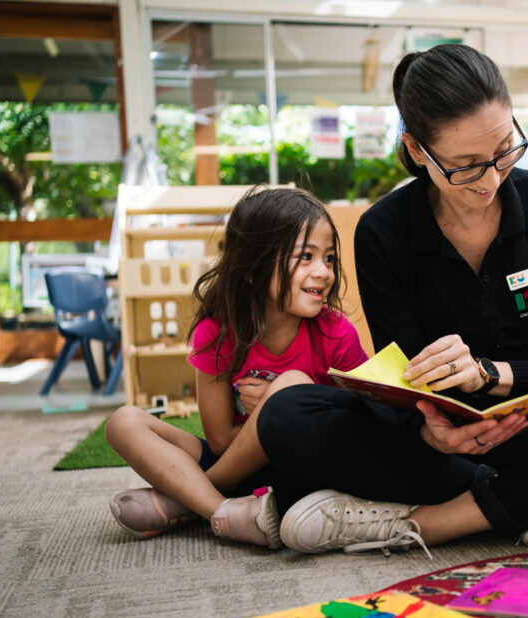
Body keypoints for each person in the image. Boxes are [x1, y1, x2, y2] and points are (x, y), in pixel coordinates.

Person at [242, 44, 528, 556]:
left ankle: (443, 519)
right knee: (286, 413)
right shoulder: (383, 231)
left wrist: (490, 374)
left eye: (504, 150)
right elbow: (407, 380)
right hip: (443, 445)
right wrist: (433, 433)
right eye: (466, 166)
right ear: (419, 151)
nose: (491, 179)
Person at [105, 187, 368, 548]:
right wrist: (266, 415)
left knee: (292, 384)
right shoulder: (217, 333)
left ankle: (189, 498)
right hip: (230, 458)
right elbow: (219, 439)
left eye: (329, 258)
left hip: (300, 466)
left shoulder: (336, 332)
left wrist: (285, 404)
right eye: (306, 257)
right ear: (251, 267)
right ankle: (224, 511)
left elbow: (366, 418)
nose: (324, 272)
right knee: (124, 422)